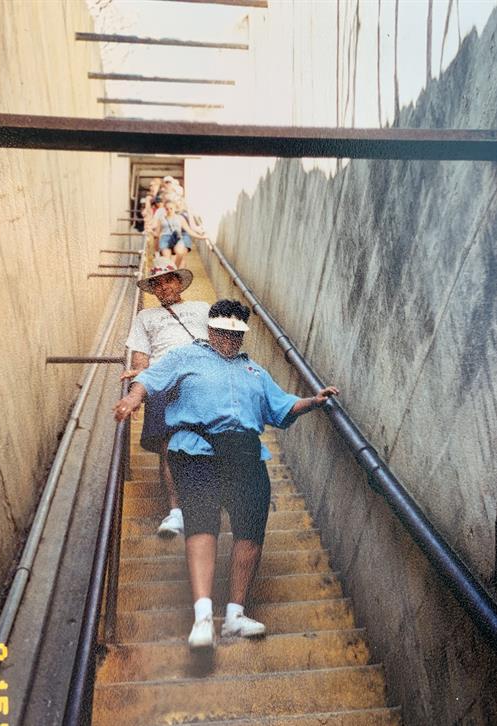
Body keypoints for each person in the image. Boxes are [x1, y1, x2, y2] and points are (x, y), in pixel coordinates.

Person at [113, 299, 339, 649]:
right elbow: (149, 379)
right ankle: (202, 618)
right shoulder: (185, 357)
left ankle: (235, 616)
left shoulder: (255, 371)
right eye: (222, 332)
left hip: (246, 454)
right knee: (202, 524)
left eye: (235, 334)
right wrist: (132, 399)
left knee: (250, 530)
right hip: (196, 452)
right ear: (210, 328)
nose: (228, 339)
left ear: (243, 335)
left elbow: (282, 407)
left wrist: (314, 401)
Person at [115, 258, 210, 536]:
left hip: (201, 377)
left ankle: (209, 503)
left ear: (179, 282)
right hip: (163, 379)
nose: (163, 286)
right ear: (153, 290)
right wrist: (137, 390)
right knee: (170, 444)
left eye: (169, 280)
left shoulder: (202, 308)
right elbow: (141, 360)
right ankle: (176, 511)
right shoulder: (145, 317)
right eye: (157, 283)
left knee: (210, 438)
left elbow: (222, 342)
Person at [152, 198, 205, 269]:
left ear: (175, 208)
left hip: (177, 237)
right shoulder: (161, 219)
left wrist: (201, 237)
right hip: (165, 238)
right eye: (167, 209)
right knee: (167, 259)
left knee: (180, 252)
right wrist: (156, 250)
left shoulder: (180, 218)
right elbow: (157, 234)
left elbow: (189, 230)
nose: (169, 210)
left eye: (171, 208)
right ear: (164, 209)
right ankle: (170, 270)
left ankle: (175, 269)